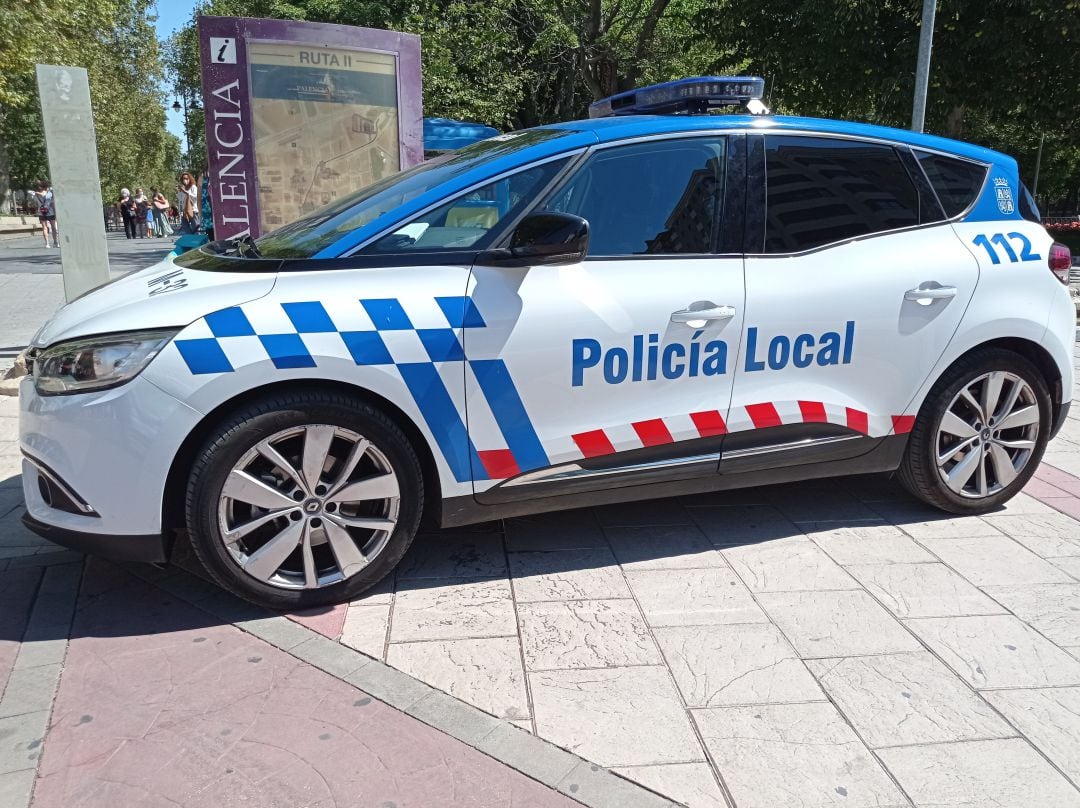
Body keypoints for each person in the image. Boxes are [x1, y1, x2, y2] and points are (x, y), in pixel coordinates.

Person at [33, 181, 59, 248]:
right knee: (53, 228)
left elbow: (35, 203)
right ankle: (55, 242)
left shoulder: (36, 194)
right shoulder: (50, 194)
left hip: (41, 212)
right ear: (46, 187)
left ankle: (47, 243)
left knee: (44, 228)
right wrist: (55, 213)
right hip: (50, 212)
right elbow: (53, 204)